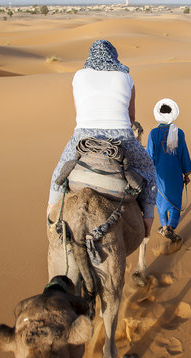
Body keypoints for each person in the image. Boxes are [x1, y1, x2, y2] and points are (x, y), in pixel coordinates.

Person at [48, 39, 157, 236]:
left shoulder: (79, 75)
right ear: (113, 56)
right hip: (121, 135)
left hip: (84, 134)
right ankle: (148, 219)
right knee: (149, 170)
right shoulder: (125, 76)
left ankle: (50, 214)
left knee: (59, 172)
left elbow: (77, 111)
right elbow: (131, 117)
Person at [147, 98, 191, 242]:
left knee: (161, 203)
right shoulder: (179, 133)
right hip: (175, 174)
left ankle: (164, 226)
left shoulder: (153, 134)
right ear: (173, 113)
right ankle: (171, 228)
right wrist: (186, 174)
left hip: (159, 175)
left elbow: (149, 157)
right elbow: (183, 154)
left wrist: (148, 176)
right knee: (175, 202)